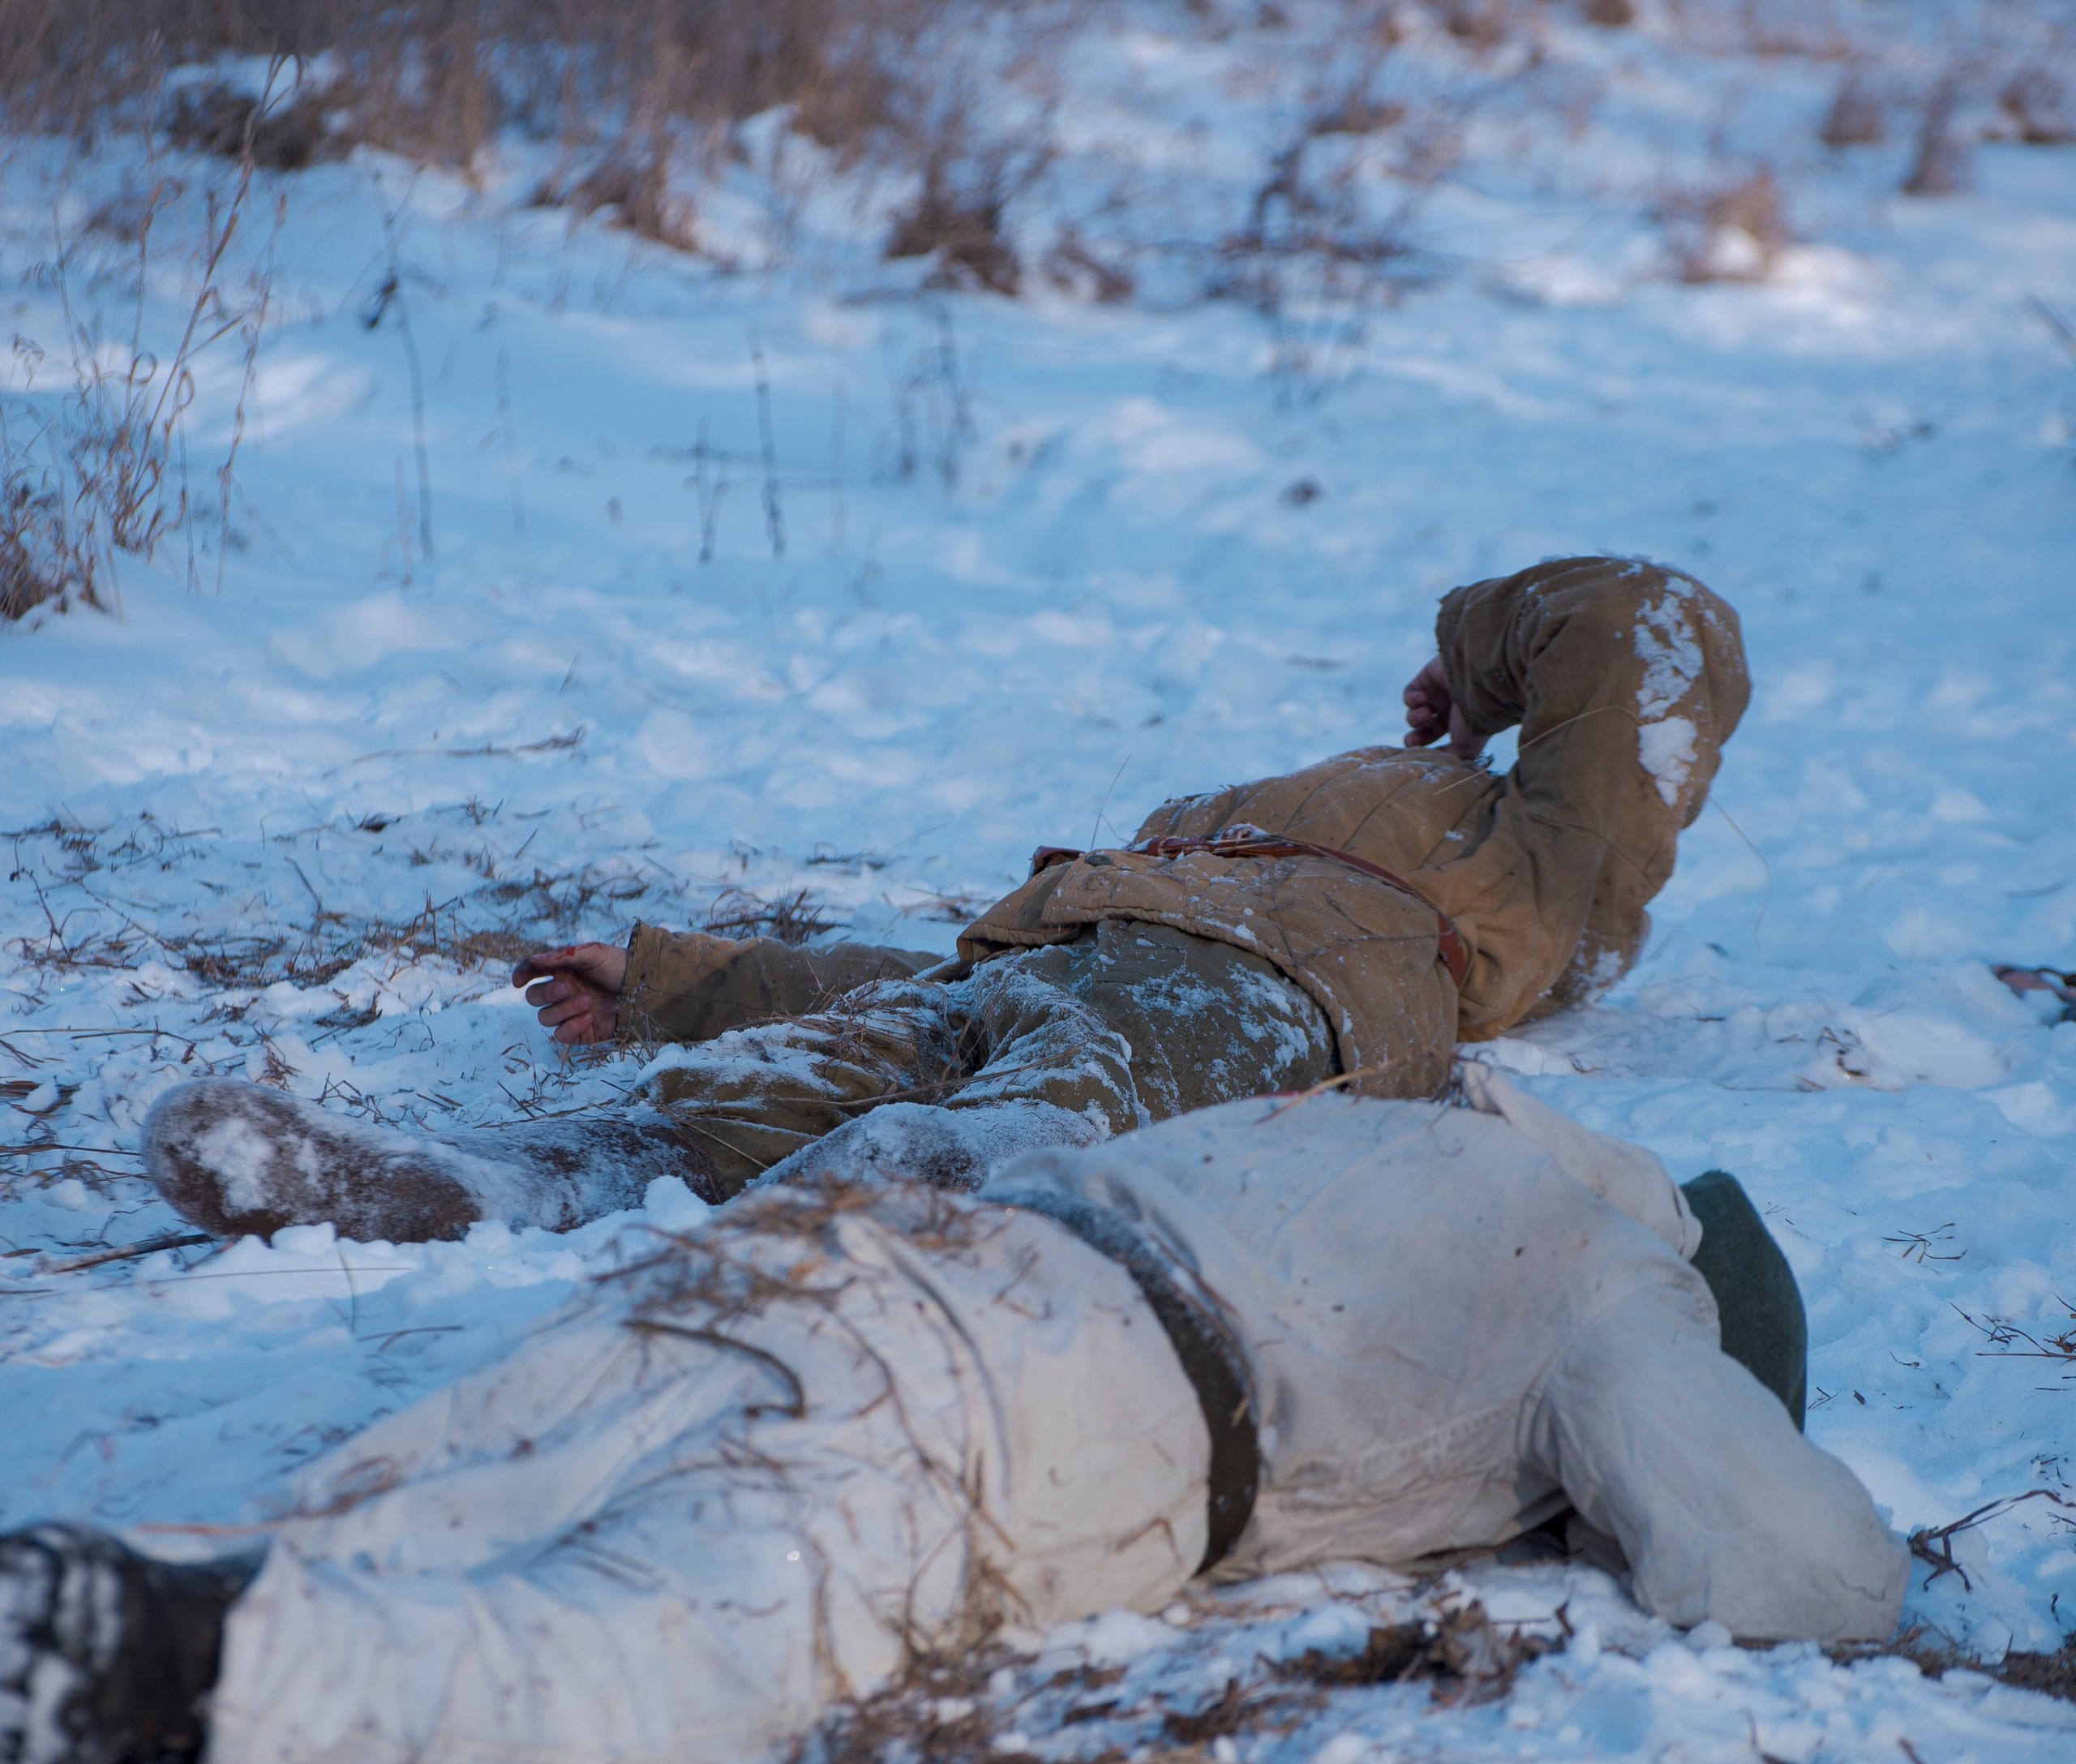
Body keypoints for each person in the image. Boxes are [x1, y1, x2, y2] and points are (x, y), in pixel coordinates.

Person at [2, 1072, 1902, 1764]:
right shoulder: (1611, 1279)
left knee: (404, 1515)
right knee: (613, 1679)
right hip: (1023, 1424)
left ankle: (101, 1630)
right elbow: (1799, 1564)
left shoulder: (1416, 1123)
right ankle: (143, 1661)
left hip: (841, 1257)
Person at [141, 555, 1750, 1241]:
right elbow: (933, 968)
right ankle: (454, 1187)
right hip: (1049, 962)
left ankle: (864, 1251)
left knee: (1036, 1119)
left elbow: (1643, 615)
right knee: (736, 1101)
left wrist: (1464, 653)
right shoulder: (1232, 824)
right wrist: (680, 984)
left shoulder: (1555, 877)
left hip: (1266, 1007)